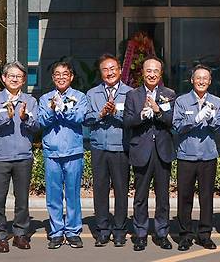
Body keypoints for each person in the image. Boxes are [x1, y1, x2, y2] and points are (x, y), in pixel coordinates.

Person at [0, 61, 39, 253]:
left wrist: (25, 118)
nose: (15, 79)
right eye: (11, 76)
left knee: (22, 199)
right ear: (4, 78)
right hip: (1, 157)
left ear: (23, 80)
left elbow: (36, 126)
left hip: (23, 156)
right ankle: (0, 236)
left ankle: (20, 234)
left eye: (19, 76)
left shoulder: (30, 101)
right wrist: (6, 117)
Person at [123, 57, 176, 251]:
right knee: (140, 196)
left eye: (156, 71)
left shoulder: (169, 94)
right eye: (148, 71)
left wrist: (158, 111)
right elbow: (127, 122)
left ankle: (162, 233)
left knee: (163, 197)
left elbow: (172, 121)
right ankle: (140, 234)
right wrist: (141, 116)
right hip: (141, 150)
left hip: (162, 151)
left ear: (160, 74)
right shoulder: (133, 95)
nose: (152, 74)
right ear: (142, 73)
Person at [172, 65, 220, 251]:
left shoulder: (217, 102)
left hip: (208, 156)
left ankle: (204, 235)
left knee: (206, 197)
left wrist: (211, 120)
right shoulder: (182, 101)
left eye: (205, 78)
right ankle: (185, 235)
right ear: (192, 80)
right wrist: (194, 119)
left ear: (210, 81)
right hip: (186, 156)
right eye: (198, 78)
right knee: (184, 198)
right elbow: (176, 126)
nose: (202, 81)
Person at [83, 54, 133, 247]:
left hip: (120, 147)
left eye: (113, 68)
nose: (110, 72)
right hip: (99, 148)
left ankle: (120, 230)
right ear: (101, 72)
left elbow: (133, 119)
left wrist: (116, 113)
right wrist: (101, 113)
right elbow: (86, 119)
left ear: (120, 70)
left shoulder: (130, 93)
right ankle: (103, 229)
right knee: (100, 190)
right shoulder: (92, 93)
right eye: (105, 69)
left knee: (121, 190)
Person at [38, 61, 88, 249]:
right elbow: (42, 121)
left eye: (65, 74)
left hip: (73, 152)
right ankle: (57, 231)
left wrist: (64, 109)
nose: (61, 77)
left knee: (73, 194)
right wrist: (52, 108)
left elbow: (79, 118)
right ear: (52, 78)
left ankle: (73, 231)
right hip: (52, 152)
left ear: (71, 76)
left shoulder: (80, 97)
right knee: (53, 195)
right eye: (57, 74)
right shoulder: (45, 99)